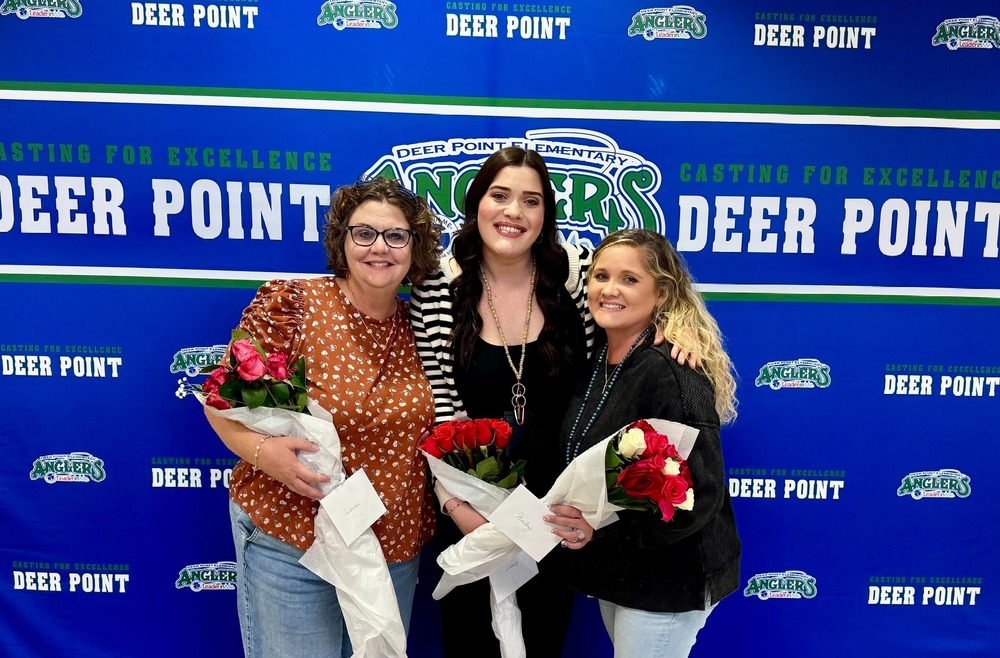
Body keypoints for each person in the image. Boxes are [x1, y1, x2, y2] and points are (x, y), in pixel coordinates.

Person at [204, 177, 441, 657]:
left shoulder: (424, 326)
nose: (380, 247)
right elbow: (220, 402)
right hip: (294, 540)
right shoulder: (294, 304)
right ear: (342, 240)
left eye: (396, 236)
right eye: (364, 233)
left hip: (390, 547)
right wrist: (263, 452)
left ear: (415, 248)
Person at [409, 147, 590, 656]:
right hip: (473, 513)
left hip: (557, 515)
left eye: (531, 201)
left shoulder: (576, 276)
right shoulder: (437, 287)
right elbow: (439, 409)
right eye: (500, 195)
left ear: (546, 214)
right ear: (476, 204)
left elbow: (610, 372)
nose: (514, 212)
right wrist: (457, 505)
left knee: (543, 643)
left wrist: (681, 333)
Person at [543, 228, 741, 658]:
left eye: (629, 279)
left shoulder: (671, 370)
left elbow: (700, 493)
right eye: (601, 276)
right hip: (620, 567)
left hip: (669, 576)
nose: (610, 289)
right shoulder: (598, 357)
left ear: (662, 293)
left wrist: (603, 530)